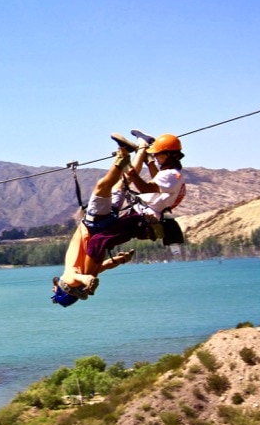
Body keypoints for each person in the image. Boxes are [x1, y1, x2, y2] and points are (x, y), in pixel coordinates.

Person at [52, 131, 186, 307]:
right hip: (94, 225)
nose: (53, 289)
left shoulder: (88, 270)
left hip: (110, 221)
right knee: (105, 186)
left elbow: (106, 265)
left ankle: (140, 147)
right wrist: (87, 281)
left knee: (121, 185)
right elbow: (147, 187)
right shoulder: (69, 277)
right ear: (64, 290)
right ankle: (124, 156)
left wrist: (121, 260)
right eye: (55, 292)